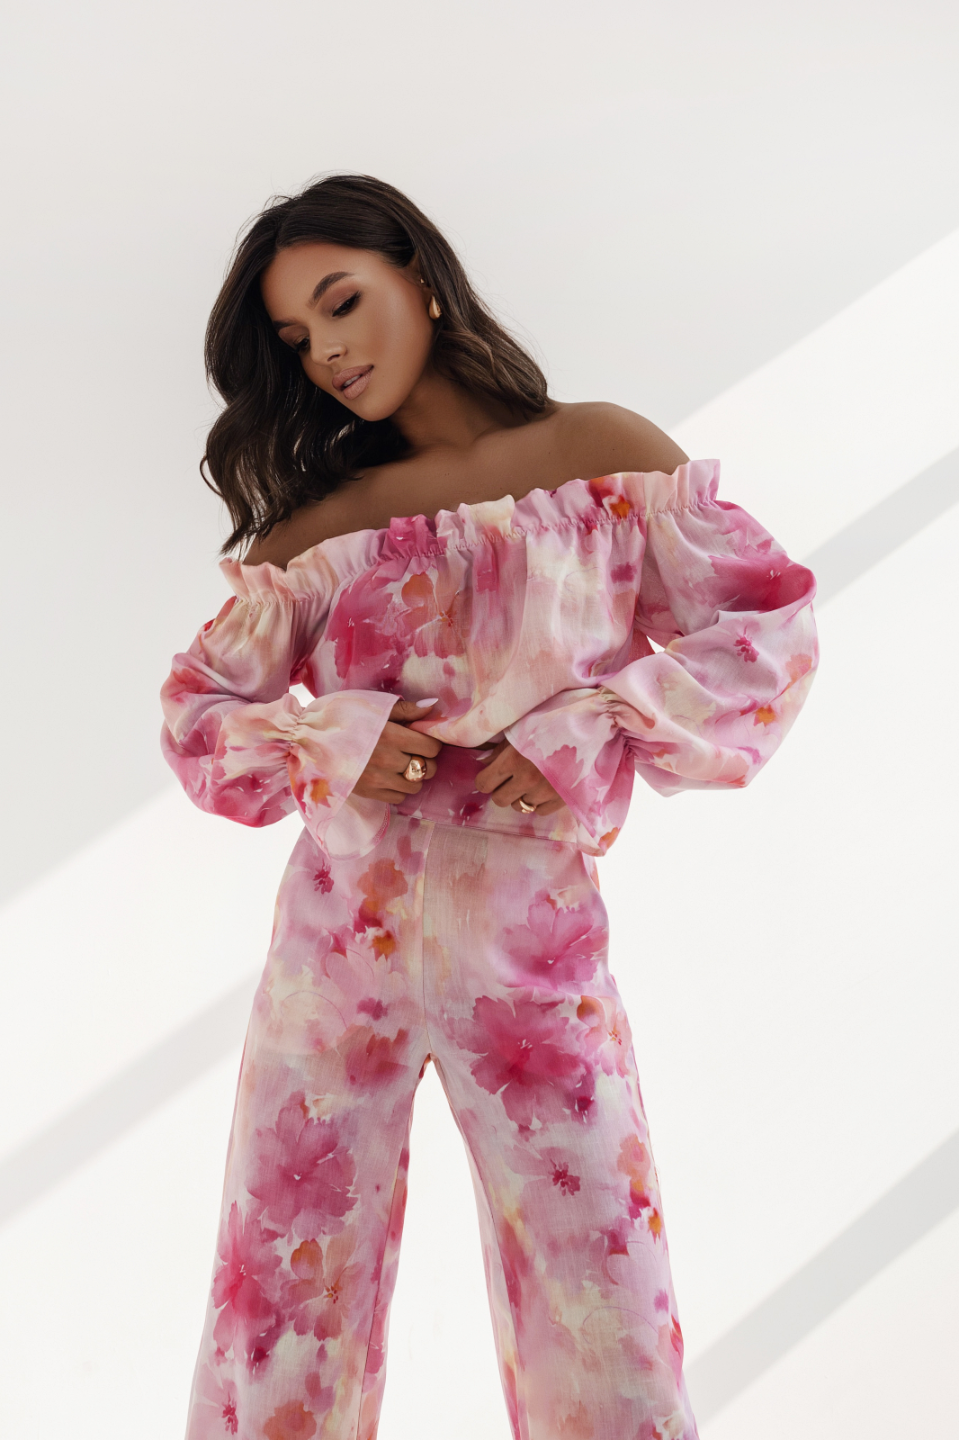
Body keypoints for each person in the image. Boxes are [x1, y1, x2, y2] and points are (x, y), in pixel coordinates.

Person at [160, 173, 818, 1440]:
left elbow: (766, 631)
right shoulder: (320, 533)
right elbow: (198, 716)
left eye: (341, 302)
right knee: (282, 1310)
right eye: (297, 338)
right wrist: (335, 741)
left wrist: (592, 723)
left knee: (603, 1305)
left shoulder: (599, 459)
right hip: (331, 961)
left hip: (534, 959)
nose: (329, 351)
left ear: (419, 274)